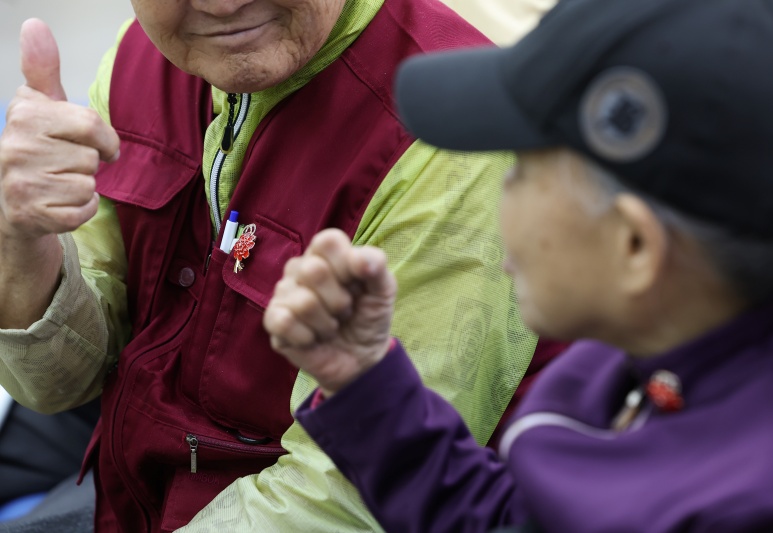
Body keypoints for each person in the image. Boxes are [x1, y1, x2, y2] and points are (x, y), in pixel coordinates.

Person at [0, 0, 544, 531]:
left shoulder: (455, 136)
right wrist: (20, 240)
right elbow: (60, 384)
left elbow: (348, 500)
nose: (221, 5)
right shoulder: (137, 59)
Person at [265, 0, 773, 531]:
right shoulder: (620, 360)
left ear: (634, 246)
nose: (498, 196)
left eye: (519, 167)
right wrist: (365, 384)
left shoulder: (758, 505)